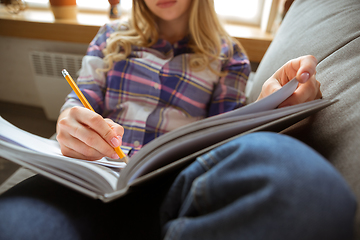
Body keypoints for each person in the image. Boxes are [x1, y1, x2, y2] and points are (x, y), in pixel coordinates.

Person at [0, 0, 355, 239]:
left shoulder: (229, 55)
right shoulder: (110, 36)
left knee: (305, 188)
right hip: (91, 179)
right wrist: (68, 121)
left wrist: (270, 106)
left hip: (174, 182)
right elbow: (78, 101)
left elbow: (225, 134)